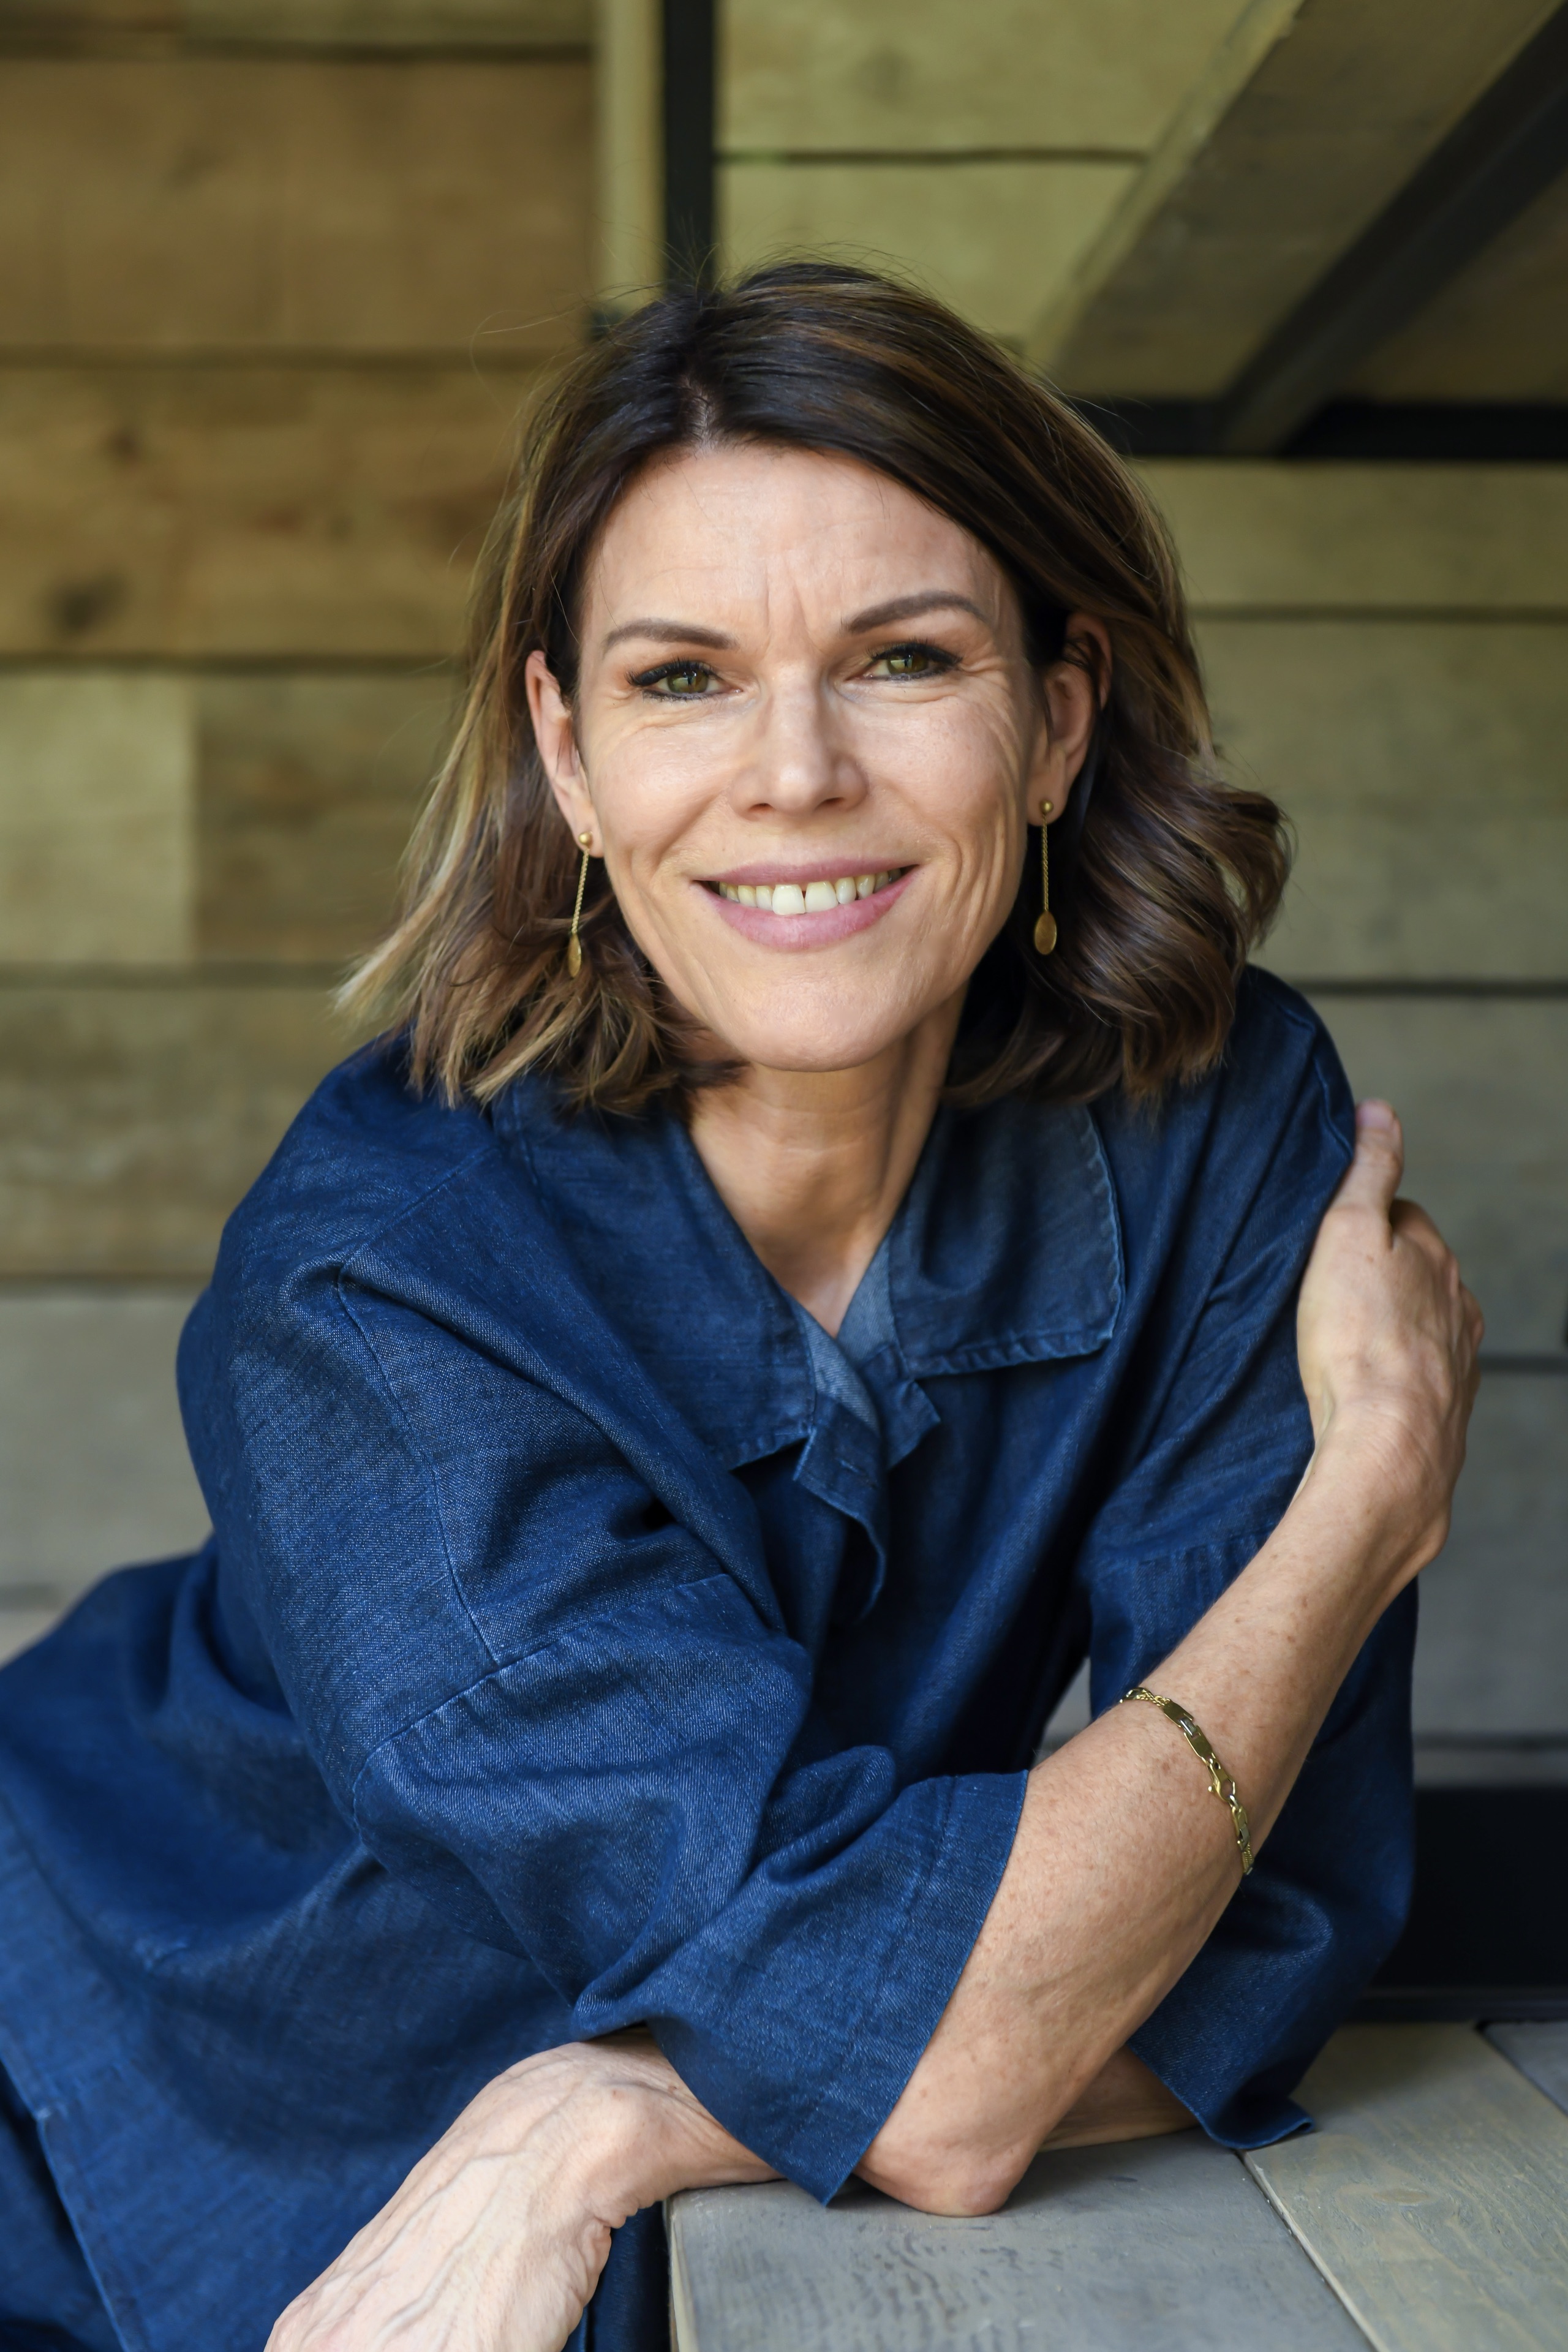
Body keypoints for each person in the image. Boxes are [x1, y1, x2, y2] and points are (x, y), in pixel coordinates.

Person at [0, 264, 1480, 2352]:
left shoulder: (1222, 1132)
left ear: (1059, 722)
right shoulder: (378, 1274)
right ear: (571, 755)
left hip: (604, 2167)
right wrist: (1368, 1504)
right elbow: (955, 2067)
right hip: (130, 2078)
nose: (795, 774)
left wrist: (621, 2117)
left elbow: (1255, 1936)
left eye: (903, 659)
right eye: (684, 679)